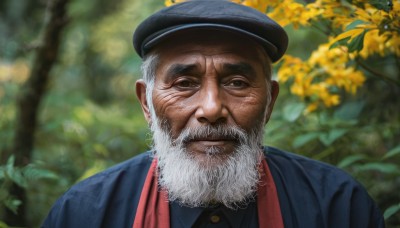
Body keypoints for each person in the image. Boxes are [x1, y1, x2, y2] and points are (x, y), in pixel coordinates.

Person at [42, 1, 385, 227]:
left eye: (236, 82)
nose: (211, 109)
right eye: (184, 82)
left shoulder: (339, 208)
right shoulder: (85, 214)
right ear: (146, 102)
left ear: (269, 102)